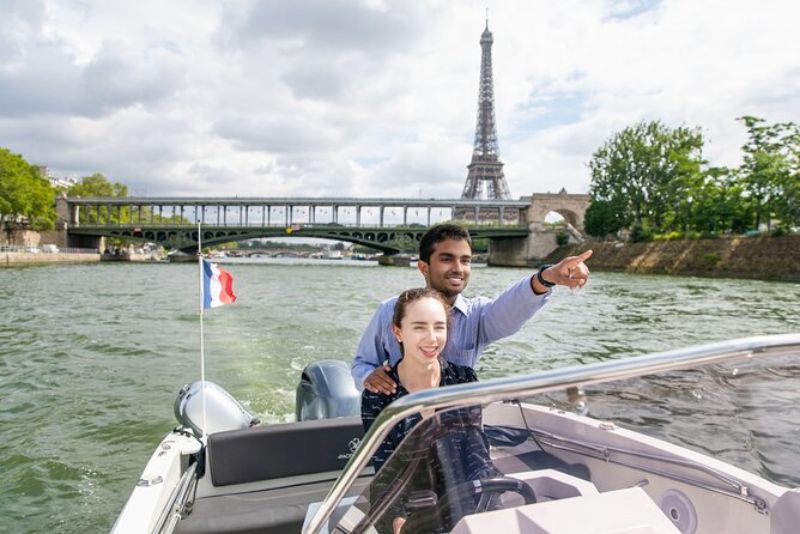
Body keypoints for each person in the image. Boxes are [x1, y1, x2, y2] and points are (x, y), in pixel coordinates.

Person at [352, 223, 592, 394]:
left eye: (465, 260)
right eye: (447, 259)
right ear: (424, 267)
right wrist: (368, 378)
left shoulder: (478, 316)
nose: (459, 268)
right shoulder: (389, 310)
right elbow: (362, 364)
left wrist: (548, 276)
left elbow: (512, 306)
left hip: (456, 420)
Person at [361, 287, 497, 533]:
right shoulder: (378, 395)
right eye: (419, 327)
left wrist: (484, 506)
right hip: (407, 511)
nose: (432, 338)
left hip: (462, 502)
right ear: (398, 332)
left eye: (439, 326)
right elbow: (385, 470)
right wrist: (398, 523)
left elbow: (477, 453)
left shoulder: (464, 380)